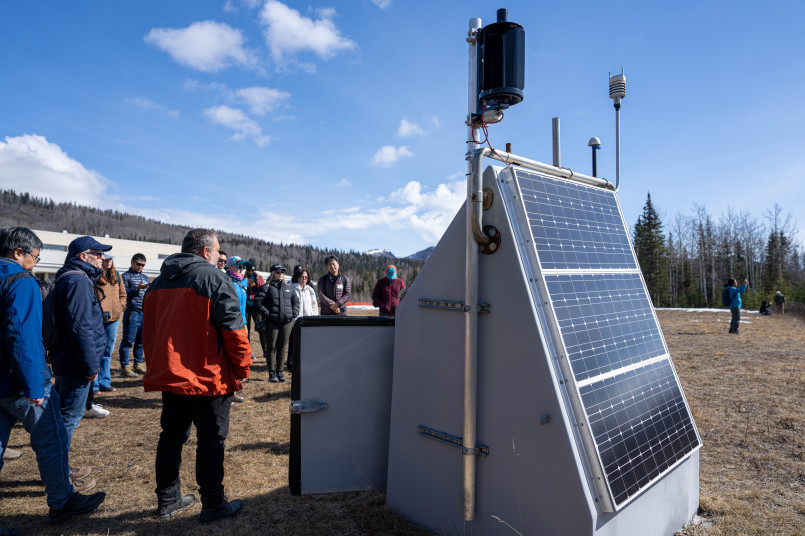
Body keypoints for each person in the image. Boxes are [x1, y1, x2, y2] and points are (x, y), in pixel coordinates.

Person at [142, 229, 251, 523]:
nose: (219, 258)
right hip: (208, 378)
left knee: (171, 438)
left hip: (172, 376)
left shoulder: (157, 283)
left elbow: (148, 333)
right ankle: (213, 504)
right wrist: (242, 368)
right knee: (211, 440)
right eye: (217, 252)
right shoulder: (215, 278)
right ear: (205, 252)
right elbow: (234, 330)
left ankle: (168, 500)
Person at [0, 226, 106, 525]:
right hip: (20, 382)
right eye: (34, 256)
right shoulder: (19, 280)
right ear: (17, 253)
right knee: (53, 438)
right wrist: (34, 385)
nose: (36, 261)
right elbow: (23, 337)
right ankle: (61, 501)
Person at [51, 236, 112, 490]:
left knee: (64, 417)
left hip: (70, 360)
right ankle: (58, 476)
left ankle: (59, 468)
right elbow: (80, 327)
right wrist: (90, 367)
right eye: (97, 253)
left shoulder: (76, 277)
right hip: (76, 363)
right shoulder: (77, 280)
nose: (102, 258)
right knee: (68, 419)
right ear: (83, 256)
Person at [254, 265, 299, 383]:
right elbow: (257, 302)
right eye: (278, 272)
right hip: (271, 322)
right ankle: (272, 373)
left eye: (282, 272)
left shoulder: (289, 288)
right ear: (273, 273)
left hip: (286, 322)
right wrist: (267, 314)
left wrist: (293, 313)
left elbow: (296, 302)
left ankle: (280, 372)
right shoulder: (266, 288)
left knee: (282, 347)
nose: (280, 274)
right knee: (271, 348)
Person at [92, 253, 126, 395]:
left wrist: (120, 306)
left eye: (110, 259)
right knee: (95, 350)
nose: (108, 262)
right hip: (98, 319)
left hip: (114, 319)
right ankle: (94, 384)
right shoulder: (94, 276)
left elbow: (123, 294)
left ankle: (105, 382)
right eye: (105, 260)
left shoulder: (117, 275)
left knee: (108, 351)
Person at [119, 254, 149, 377]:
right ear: (132, 262)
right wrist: (137, 288)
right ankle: (125, 366)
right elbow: (124, 293)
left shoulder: (145, 277)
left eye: (142, 265)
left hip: (144, 312)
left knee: (141, 341)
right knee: (128, 340)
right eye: (138, 264)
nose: (140, 267)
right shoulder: (125, 277)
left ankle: (138, 364)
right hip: (132, 311)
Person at [225, 256, 250, 403]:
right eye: (238, 266)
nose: (241, 269)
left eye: (243, 267)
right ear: (230, 267)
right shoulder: (225, 281)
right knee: (229, 359)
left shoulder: (243, 282)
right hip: (231, 325)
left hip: (243, 324)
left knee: (239, 359)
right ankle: (227, 392)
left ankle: (233, 390)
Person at [244, 262, 265, 347]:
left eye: (253, 270)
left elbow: (263, 289)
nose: (251, 272)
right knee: (246, 328)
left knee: (260, 327)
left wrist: (256, 281)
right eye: (249, 270)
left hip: (256, 304)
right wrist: (246, 283)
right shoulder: (244, 278)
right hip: (247, 304)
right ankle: (247, 349)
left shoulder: (259, 278)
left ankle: (264, 348)